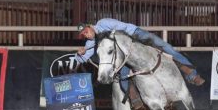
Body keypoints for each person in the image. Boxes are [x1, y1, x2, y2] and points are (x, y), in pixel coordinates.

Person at [76, 18, 205, 86]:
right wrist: (80, 54)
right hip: (126, 51)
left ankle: (192, 74)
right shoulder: (91, 42)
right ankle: (134, 100)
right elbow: (81, 57)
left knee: (165, 47)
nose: (86, 35)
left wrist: (111, 36)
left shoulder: (103, 23)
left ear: (90, 26)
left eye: (86, 32)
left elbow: (123, 27)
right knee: (123, 75)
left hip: (135, 34)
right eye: (83, 35)